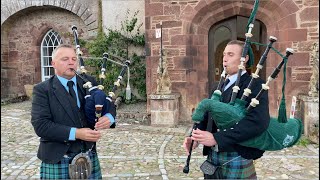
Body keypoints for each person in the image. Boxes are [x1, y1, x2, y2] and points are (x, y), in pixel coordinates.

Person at [183, 40, 270, 179]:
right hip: (213, 156)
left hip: (237, 155)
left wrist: (216, 138)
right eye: (224, 54)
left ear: (245, 58)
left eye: (230, 54)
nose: (225, 58)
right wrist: (194, 138)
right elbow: (207, 116)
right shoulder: (219, 86)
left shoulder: (255, 85)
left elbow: (257, 123)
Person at [31, 44, 116, 179]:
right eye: (65, 59)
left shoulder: (89, 82)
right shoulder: (43, 90)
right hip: (58, 159)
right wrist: (76, 133)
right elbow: (41, 126)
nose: (71, 62)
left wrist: (109, 117)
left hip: (88, 156)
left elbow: (108, 104)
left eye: (73, 59)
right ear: (53, 63)